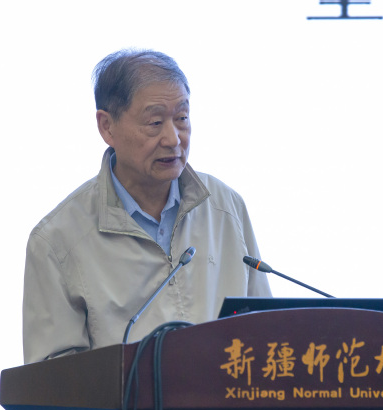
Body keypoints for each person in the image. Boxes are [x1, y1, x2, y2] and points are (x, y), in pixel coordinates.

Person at [22, 48, 271, 364]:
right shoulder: (57, 241)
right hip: (128, 399)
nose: (173, 139)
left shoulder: (225, 207)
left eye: (181, 118)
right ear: (107, 127)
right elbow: (53, 377)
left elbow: (265, 331)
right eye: (155, 122)